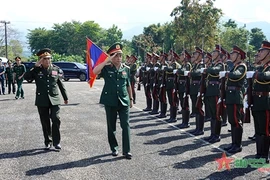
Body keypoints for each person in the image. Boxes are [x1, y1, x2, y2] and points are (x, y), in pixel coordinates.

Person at [93, 42, 133, 159]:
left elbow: (128, 84)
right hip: (110, 101)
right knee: (112, 126)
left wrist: (131, 99)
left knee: (125, 125)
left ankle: (127, 150)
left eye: (120, 55)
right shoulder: (106, 68)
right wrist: (106, 61)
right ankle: (114, 148)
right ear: (111, 57)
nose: (119, 58)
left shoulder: (126, 69)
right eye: (116, 56)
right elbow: (95, 71)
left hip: (123, 100)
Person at [25, 48, 68, 150]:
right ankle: (48, 141)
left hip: (55, 99)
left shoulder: (56, 69)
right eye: (44, 59)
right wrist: (35, 67)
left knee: (56, 119)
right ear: (40, 60)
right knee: (45, 121)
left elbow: (60, 85)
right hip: (42, 100)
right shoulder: (36, 70)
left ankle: (56, 142)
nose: (47, 61)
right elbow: (27, 77)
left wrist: (65, 97)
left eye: (48, 58)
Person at [222, 45, 247, 154]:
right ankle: (233, 143)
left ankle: (238, 145)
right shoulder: (234, 66)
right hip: (230, 96)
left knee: (237, 121)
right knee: (232, 121)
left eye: (233, 54)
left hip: (236, 96)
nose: (230, 55)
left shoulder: (241, 66)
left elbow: (236, 75)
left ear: (239, 56)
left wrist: (227, 74)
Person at [250, 41, 270, 162]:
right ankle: (258, 153)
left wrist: (256, 74)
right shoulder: (261, 67)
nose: (260, 53)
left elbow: (266, 76)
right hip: (257, 101)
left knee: (266, 129)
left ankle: (264, 155)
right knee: (258, 128)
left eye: (262, 51)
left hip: (265, 101)